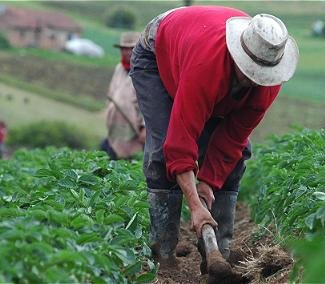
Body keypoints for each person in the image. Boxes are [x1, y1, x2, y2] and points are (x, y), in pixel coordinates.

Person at [130, 6, 298, 270]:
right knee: (163, 152)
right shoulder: (205, 67)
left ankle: (218, 252)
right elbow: (180, 143)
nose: (254, 79)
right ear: (236, 56)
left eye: (259, 74)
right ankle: (163, 255)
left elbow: (232, 140)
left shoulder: (267, 83)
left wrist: (207, 183)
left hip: (200, 57)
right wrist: (195, 206)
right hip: (158, 52)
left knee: (237, 158)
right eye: (248, 70)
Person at [103, 32, 146, 160]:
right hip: (116, 129)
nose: (127, 52)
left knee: (132, 166)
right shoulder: (119, 69)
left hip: (135, 130)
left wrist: (145, 128)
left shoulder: (144, 71)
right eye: (124, 49)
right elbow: (111, 94)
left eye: (131, 49)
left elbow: (150, 102)